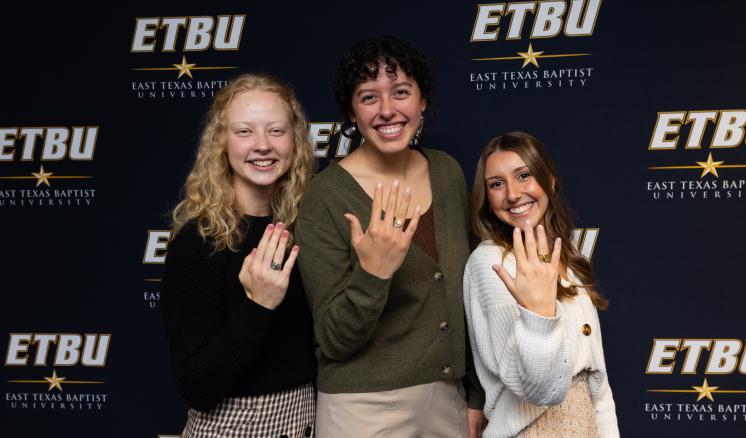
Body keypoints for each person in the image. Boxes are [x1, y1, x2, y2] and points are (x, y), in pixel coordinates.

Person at [295, 36, 486, 437]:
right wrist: (373, 272)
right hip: (363, 408)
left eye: (401, 92)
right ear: (351, 110)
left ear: (422, 101)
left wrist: (474, 396)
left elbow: (465, 295)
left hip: (446, 397)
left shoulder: (447, 172)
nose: (387, 110)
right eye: (368, 97)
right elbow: (332, 338)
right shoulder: (324, 197)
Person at [160, 73, 317, 438]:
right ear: (222, 143)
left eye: (276, 131)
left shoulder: (303, 226)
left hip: (305, 420)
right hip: (232, 427)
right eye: (245, 132)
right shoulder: (199, 241)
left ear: (295, 141)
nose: (262, 145)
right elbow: (198, 386)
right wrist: (259, 305)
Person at [463, 132, 619, 437]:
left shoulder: (564, 257)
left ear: (550, 179)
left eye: (524, 175)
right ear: (487, 198)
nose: (513, 194)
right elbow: (539, 389)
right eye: (496, 184)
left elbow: (598, 388)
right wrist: (539, 316)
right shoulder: (490, 265)